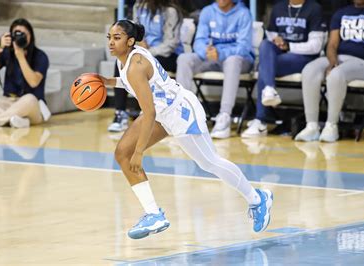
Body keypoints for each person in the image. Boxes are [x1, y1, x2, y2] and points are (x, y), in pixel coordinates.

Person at [100, 20, 273, 239]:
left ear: (130, 41)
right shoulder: (128, 58)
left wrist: (140, 152)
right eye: (109, 37)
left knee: (209, 162)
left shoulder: (136, 64)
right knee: (122, 153)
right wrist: (107, 81)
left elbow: (149, 113)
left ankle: (258, 198)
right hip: (164, 113)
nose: (111, 43)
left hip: (181, 112)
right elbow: (134, 83)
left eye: (117, 38)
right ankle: (154, 214)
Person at [295, 0, 364, 142]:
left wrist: (335, 68)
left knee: (336, 74)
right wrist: (333, 62)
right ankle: (311, 126)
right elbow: (332, 44)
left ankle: (331, 126)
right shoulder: (341, 13)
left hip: (363, 64)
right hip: (339, 59)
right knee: (309, 70)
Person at [242, 0, 326, 138]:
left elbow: (315, 46)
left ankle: (261, 121)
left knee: (266, 64)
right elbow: (270, 35)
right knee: (265, 45)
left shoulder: (314, 9)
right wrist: (277, 40)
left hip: (303, 58)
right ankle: (269, 89)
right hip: (280, 56)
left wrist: (289, 46)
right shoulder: (278, 7)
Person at [176, 0, 255, 139]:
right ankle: (183, 113)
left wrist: (220, 53)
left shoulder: (244, 13)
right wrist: (206, 51)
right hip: (212, 57)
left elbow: (244, 47)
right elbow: (199, 40)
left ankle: (224, 116)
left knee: (232, 60)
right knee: (184, 58)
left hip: (239, 60)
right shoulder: (208, 11)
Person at [108, 0, 184, 132]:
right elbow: (133, 32)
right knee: (120, 60)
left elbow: (170, 44)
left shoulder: (170, 11)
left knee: (139, 65)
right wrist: (137, 45)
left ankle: (151, 113)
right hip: (142, 51)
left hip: (166, 55)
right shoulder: (139, 6)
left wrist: (147, 52)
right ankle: (120, 113)